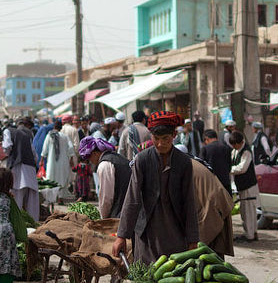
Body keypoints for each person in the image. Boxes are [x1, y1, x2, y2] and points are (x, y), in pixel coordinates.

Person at [112, 111, 199, 264]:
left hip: (175, 230)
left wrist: (193, 239)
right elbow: (132, 198)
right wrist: (121, 236)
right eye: (156, 139)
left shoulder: (184, 162)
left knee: (173, 275)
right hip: (147, 230)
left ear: (174, 135)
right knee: (147, 274)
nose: (160, 144)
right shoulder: (142, 160)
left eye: (165, 139)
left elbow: (189, 202)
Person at [189, 156, 234, 257]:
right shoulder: (190, 161)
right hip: (214, 200)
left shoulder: (180, 165)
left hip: (212, 204)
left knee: (203, 250)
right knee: (212, 251)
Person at [79, 136, 130, 219]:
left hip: (121, 213)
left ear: (95, 154)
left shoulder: (104, 165)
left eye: (89, 159)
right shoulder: (118, 157)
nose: (91, 162)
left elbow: (106, 199)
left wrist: (103, 218)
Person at [4, 117, 40, 221]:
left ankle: (17, 224)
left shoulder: (8, 131)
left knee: (16, 200)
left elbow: (7, 147)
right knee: (32, 200)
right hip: (30, 169)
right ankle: (34, 224)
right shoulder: (28, 134)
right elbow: (35, 156)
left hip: (17, 168)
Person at [230, 130, 259, 242]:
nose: (234, 146)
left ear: (241, 142)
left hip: (248, 186)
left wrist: (229, 170)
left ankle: (250, 235)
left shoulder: (246, 152)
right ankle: (250, 233)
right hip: (241, 186)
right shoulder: (235, 151)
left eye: (236, 144)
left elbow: (242, 168)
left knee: (249, 212)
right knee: (244, 211)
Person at [41, 119, 74, 200]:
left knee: (52, 178)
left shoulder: (49, 135)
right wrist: (71, 159)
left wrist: (41, 160)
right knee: (62, 178)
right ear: (61, 128)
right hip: (63, 162)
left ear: (54, 127)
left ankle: (52, 198)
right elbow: (71, 148)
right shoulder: (65, 137)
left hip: (52, 162)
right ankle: (60, 198)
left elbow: (44, 149)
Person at [201, 129, 233, 195]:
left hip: (211, 184)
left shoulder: (205, 149)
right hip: (225, 183)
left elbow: (201, 166)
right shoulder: (226, 148)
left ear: (206, 138)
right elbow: (229, 165)